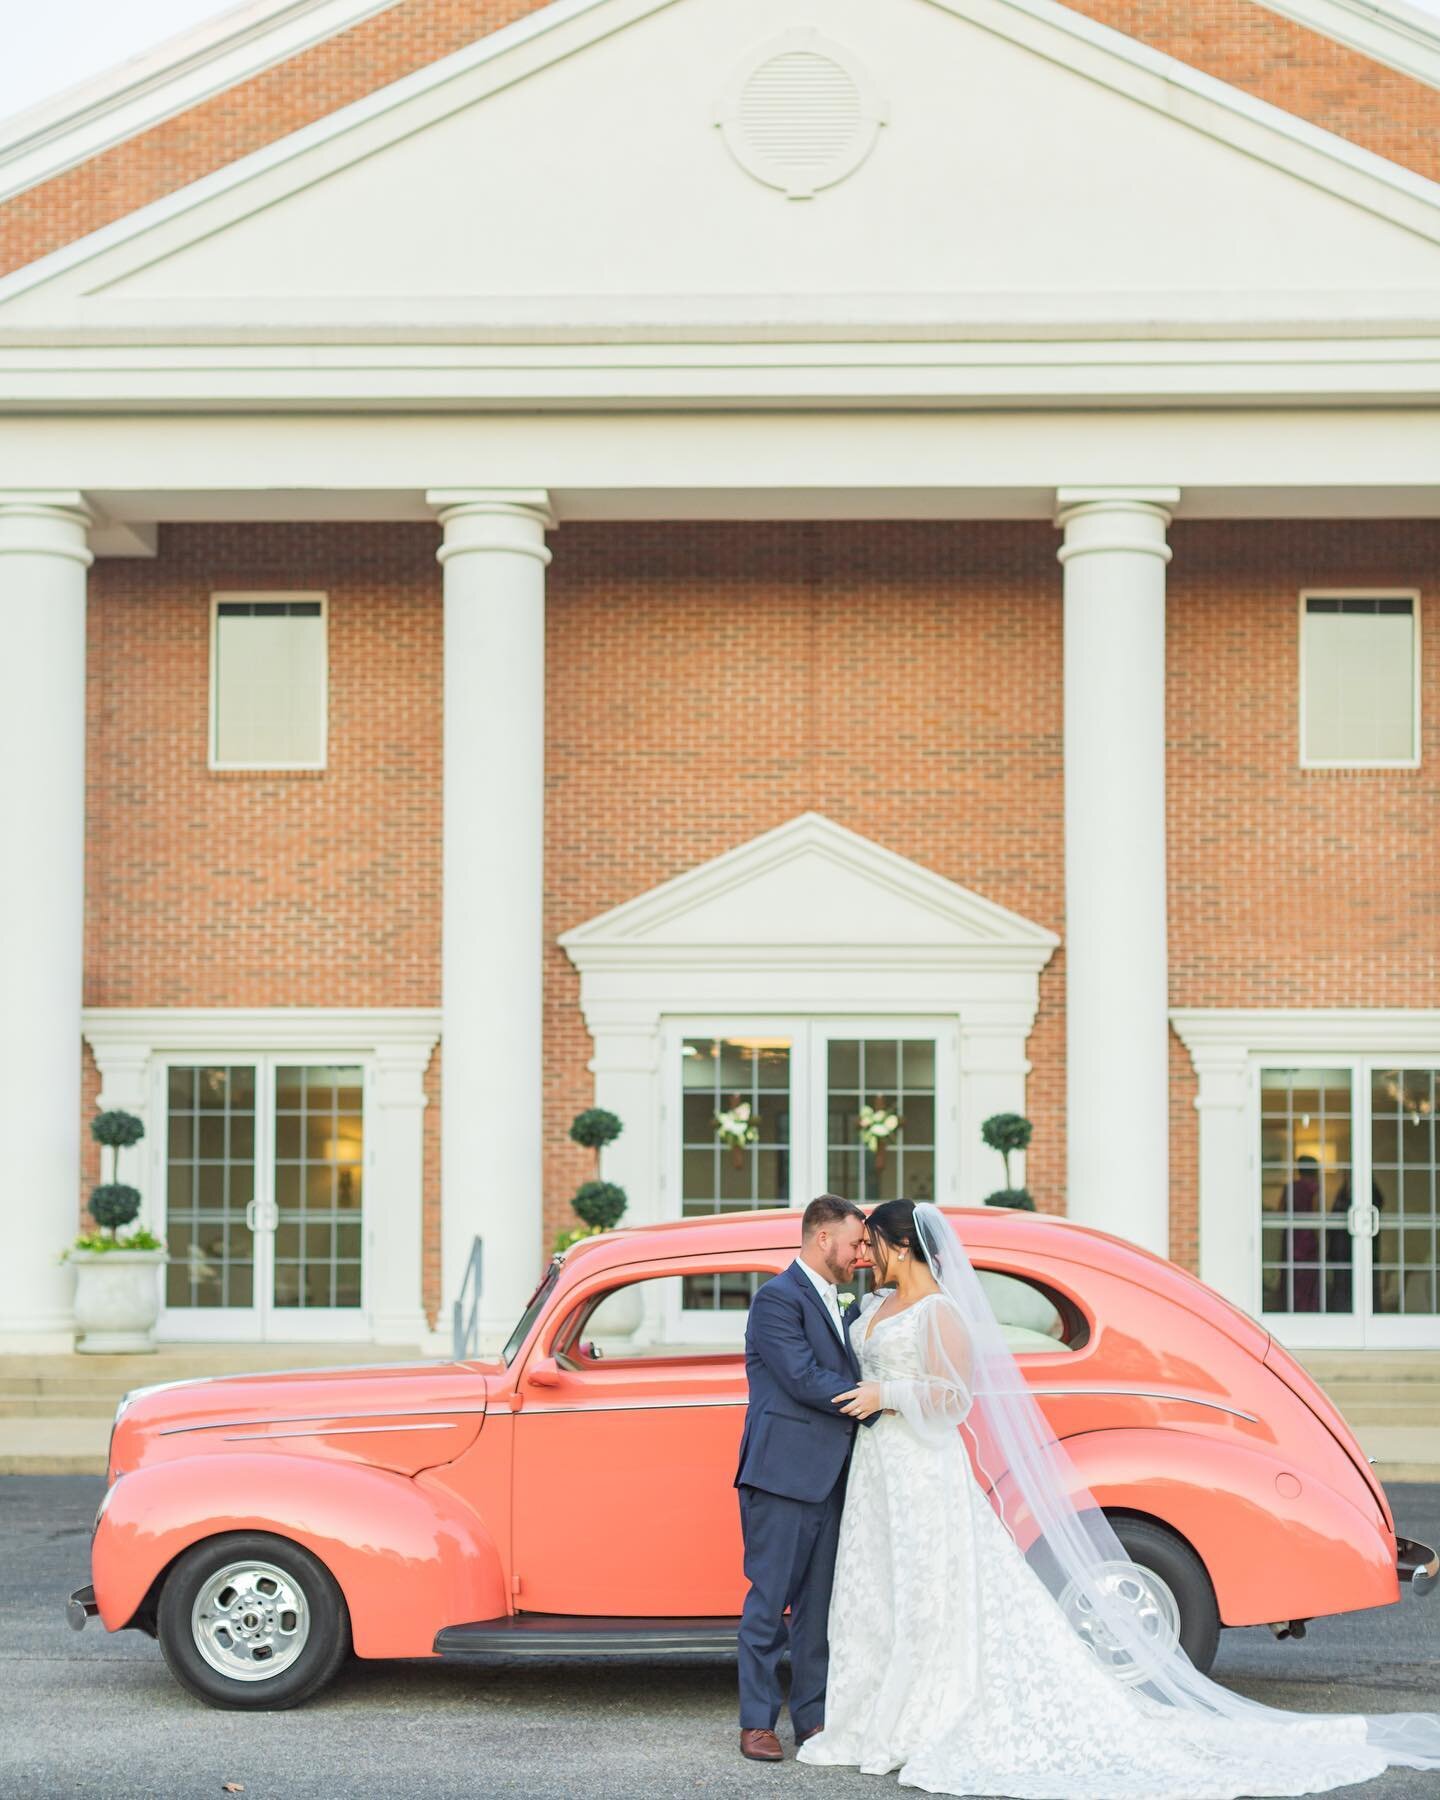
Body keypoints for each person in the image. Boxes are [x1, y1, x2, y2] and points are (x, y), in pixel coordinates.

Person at [798, 1198, 1440, 1797]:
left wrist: (890, 1395)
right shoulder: (874, 1303)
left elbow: (953, 1398)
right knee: (877, 1586)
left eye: (874, 1243)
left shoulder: (940, 1312)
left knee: (927, 1592)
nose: (865, 1254)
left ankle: (921, 1713)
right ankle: (871, 1709)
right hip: (876, 1470)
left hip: (921, 1468)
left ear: (903, 1245)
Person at [734, 1192, 874, 1763]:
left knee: (819, 1608)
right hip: (783, 1476)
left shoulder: (843, 1302)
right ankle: (757, 1723)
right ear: (823, 1239)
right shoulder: (776, 1300)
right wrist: (875, 1400)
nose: (861, 1252)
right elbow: (801, 1376)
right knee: (769, 1603)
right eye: (855, 1241)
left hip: (834, 1476)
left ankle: (813, 1721)